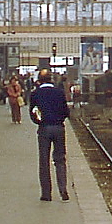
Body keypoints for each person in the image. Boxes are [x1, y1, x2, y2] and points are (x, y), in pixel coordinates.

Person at [29, 69, 70, 202]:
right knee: (60, 159)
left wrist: (39, 122)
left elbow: (33, 112)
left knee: (44, 161)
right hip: (59, 128)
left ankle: (46, 193)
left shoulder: (35, 94)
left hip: (44, 129)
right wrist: (59, 119)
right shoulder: (59, 92)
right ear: (51, 79)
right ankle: (63, 190)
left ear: (39, 81)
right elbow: (65, 111)